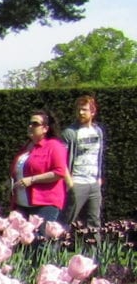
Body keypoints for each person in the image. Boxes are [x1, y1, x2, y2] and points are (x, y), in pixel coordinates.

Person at [11, 109, 69, 223]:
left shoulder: (54, 146)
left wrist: (33, 180)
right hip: (21, 203)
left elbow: (59, 172)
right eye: (30, 123)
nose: (30, 126)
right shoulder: (26, 147)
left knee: (41, 239)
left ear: (45, 128)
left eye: (35, 124)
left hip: (45, 204)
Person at [63, 95, 106, 233]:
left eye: (84, 110)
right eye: (79, 109)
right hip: (77, 182)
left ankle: (95, 254)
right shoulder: (70, 133)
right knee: (67, 220)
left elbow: (98, 156)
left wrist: (98, 178)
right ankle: (54, 252)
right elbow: (61, 161)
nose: (81, 113)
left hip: (94, 184)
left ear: (93, 112)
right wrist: (70, 183)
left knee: (94, 222)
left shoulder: (98, 131)